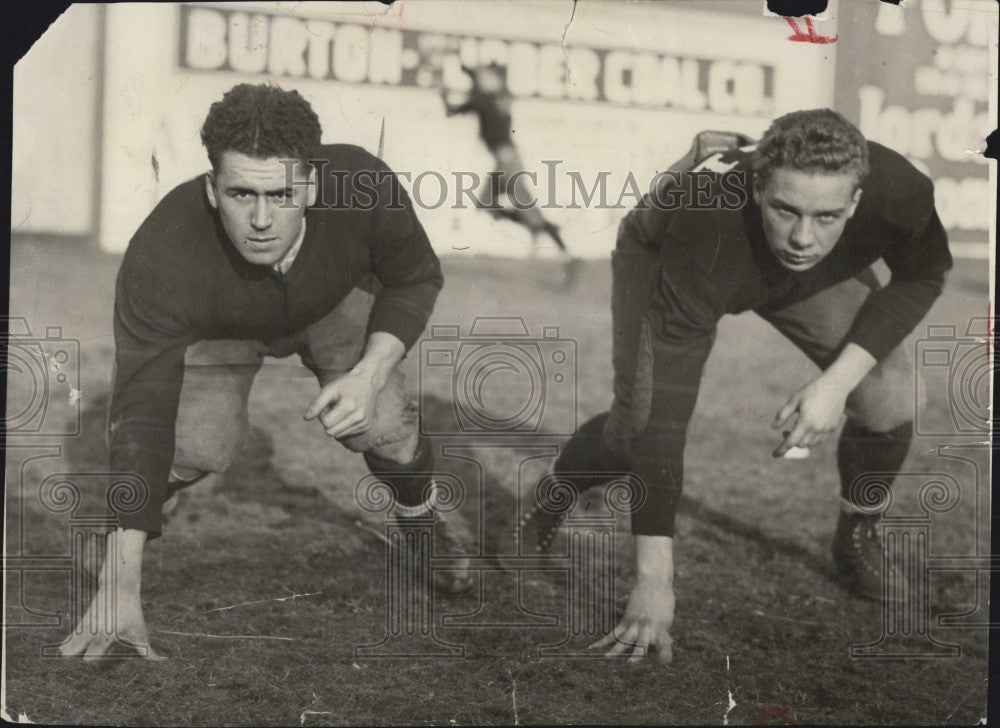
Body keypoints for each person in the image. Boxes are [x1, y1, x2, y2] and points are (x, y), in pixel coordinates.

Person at [519, 109, 952, 662]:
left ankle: (858, 531)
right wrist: (655, 580)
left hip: (796, 280)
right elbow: (664, 424)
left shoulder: (900, 189)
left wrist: (836, 383)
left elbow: (922, 273)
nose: (802, 236)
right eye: (785, 209)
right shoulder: (704, 227)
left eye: (827, 216)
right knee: (635, 426)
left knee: (886, 393)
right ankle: (555, 491)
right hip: (673, 255)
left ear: (858, 201)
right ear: (756, 188)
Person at [60, 83, 474, 662]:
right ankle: (120, 538)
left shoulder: (363, 186)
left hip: (331, 300)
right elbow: (142, 412)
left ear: (311, 184)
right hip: (223, 323)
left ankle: (417, 517)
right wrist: (119, 587)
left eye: (281, 194)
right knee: (198, 443)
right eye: (239, 194)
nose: (260, 219)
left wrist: (370, 373)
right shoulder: (163, 250)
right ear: (211, 189)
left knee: (379, 422)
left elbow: (415, 277)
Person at [442, 63, 580, 286]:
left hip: (507, 161)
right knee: (487, 204)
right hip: (506, 159)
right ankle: (542, 230)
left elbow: (452, 109)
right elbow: (479, 83)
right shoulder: (496, 96)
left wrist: (444, 91)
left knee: (521, 209)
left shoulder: (484, 100)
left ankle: (565, 252)